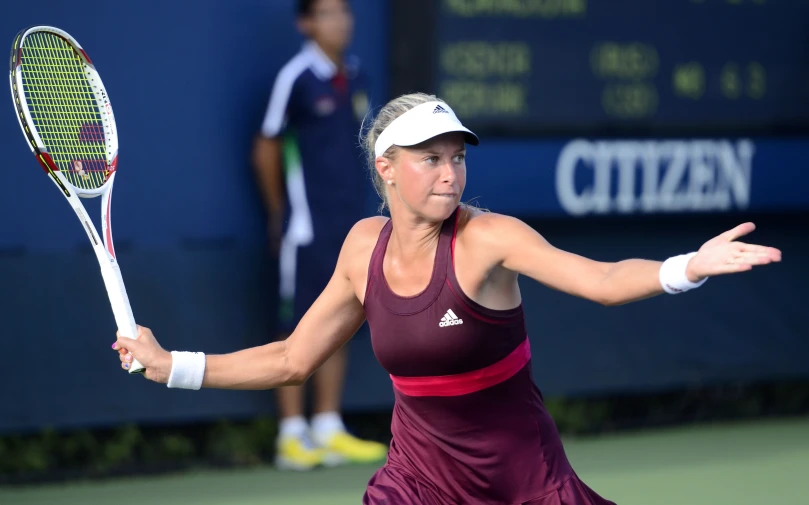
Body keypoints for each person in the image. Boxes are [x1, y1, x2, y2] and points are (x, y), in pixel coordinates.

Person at [115, 93, 782, 504]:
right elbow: (293, 357)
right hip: (417, 482)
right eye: (428, 157)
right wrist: (171, 363)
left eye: (456, 156)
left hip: (524, 481)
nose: (449, 171)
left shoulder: (489, 238)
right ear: (386, 167)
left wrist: (686, 265)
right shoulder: (360, 247)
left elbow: (602, 282)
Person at [250, 0, 387, 470]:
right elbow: (266, 146)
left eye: (345, 12)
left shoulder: (356, 74)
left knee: (343, 316)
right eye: (327, 13)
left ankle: (327, 427)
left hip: (348, 224)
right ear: (305, 23)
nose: (340, 21)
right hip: (303, 227)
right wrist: (279, 215)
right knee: (295, 323)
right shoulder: (295, 78)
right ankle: (291, 435)